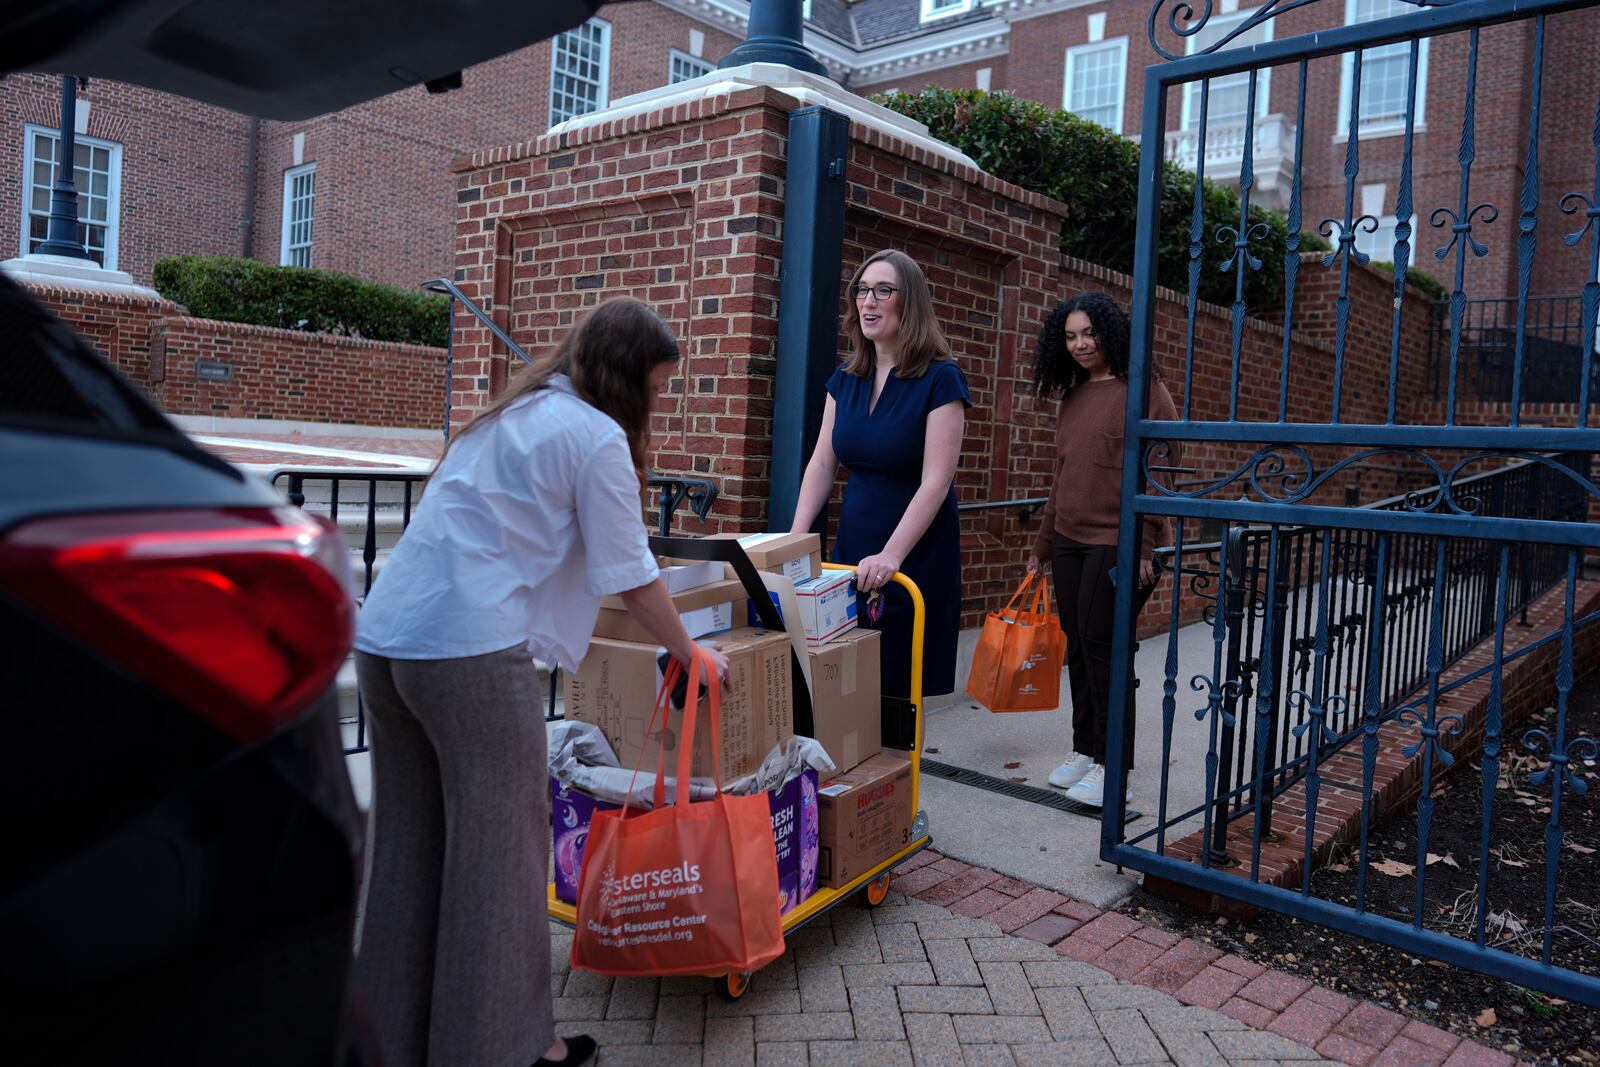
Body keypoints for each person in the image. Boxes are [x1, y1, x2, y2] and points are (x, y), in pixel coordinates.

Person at [351, 298, 730, 1067]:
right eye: (657, 386)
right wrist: (692, 652)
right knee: (500, 856)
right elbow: (634, 575)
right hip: (468, 651)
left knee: (407, 852)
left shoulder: (508, 414)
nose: (658, 403)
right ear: (629, 379)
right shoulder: (595, 437)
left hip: (385, 639)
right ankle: (518, 1050)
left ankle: (386, 1043)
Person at [790, 249, 970, 701]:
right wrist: (793, 540)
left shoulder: (941, 379)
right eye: (862, 290)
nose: (868, 301)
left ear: (909, 302)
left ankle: (896, 775)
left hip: (913, 552)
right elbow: (821, 463)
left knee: (896, 696)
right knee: (846, 688)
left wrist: (892, 555)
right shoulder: (845, 378)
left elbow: (936, 480)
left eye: (883, 290)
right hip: (853, 546)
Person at [1026, 290, 1175, 808]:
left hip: (1120, 542)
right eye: (1070, 337)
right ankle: (1085, 750)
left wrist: (1146, 547)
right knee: (1079, 646)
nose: (1080, 344)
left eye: (1088, 333)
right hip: (1068, 540)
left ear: (1110, 332)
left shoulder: (1145, 390)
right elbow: (1062, 476)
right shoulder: (1072, 396)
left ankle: (1116, 768)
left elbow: (1159, 476)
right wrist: (1043, 545)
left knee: (1105, 649)